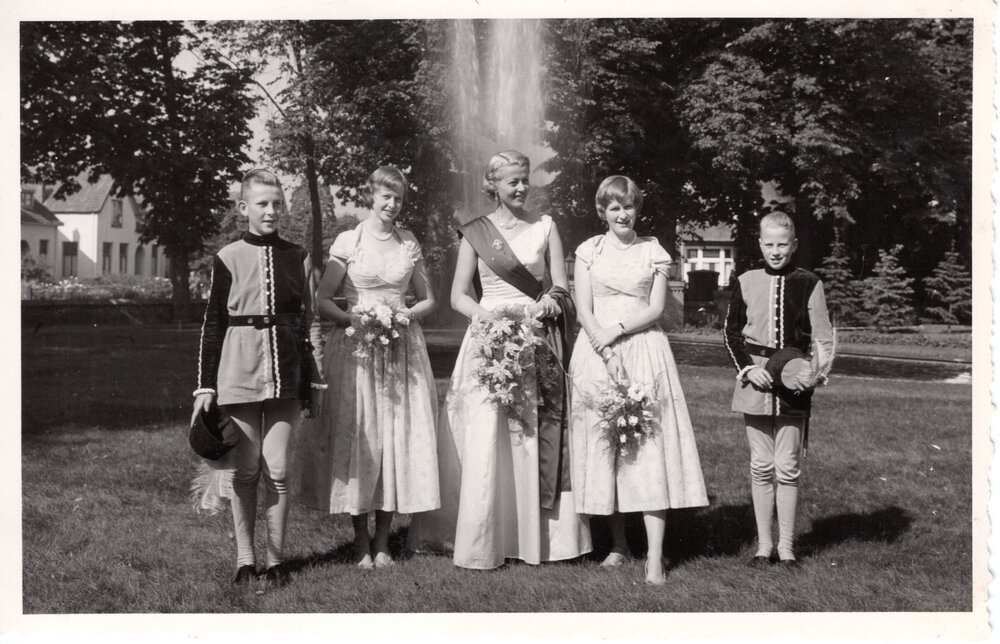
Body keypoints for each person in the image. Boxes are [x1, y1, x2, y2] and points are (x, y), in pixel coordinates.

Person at [408, 150, 592, 569]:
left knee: (532, 432)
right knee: (486, 432)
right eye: (513, 181)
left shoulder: (546, 226)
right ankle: (483, 535)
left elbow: (561, 287)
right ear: (493, 186)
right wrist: (489, 322)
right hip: (488, 337)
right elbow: (459, 296)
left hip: (534, 336)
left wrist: (547, 306)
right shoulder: (475, 232)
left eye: (525, 179)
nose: (522, 187)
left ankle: (538, 537)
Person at [290, 166, 439, 569]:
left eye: (399, 198)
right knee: (361, 435)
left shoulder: (408, 242)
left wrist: (403, 316)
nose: (392, 204)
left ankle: (384, 540)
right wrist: (352, 320)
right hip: (356, 349)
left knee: (393, 436)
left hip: (401, 351)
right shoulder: (349, 240)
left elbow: (428, 299)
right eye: (386, 196)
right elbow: (323, 299)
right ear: (370, 195)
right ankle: (360, 541)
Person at [568, 176, 709, 586]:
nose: (622, 214)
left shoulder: (653, 251)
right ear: (603, 211)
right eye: (614, 207)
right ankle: (619, 544)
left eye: (628, 206)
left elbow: (656, 308)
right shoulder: (589, 251)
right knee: (608, 445)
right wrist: (606, 349)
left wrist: (618, 331)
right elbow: (584, 309)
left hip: (644, 349)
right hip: (596, 352)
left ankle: (655, 555)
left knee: (648, 448)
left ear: (637, 209)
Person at [190, 169, 324, 587]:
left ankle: (276, 560)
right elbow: (213, 323)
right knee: (245, 469)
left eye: (276, 203)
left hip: (288, 372)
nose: (271, 211)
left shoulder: (297, 255)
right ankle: (245, 560)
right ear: (243, 208)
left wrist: (316, 380)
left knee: (278, 469)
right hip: (238, 370)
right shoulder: (228, 256)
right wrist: (205, 385)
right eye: (262, 203)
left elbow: (311, 320)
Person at [723, 211, 835, 568]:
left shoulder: (810, 283)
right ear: (760, 244)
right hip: (755, 380)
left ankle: (786, 548)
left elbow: (823, 338)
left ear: (794, 244)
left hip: (793, 383)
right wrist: (747, 368)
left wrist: (814, 374)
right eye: (769, 244)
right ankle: (763, 546)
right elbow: (731, 333)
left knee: (787, 466)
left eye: (782, 244)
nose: (775, 251)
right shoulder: (746, 280)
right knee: (760, 465)